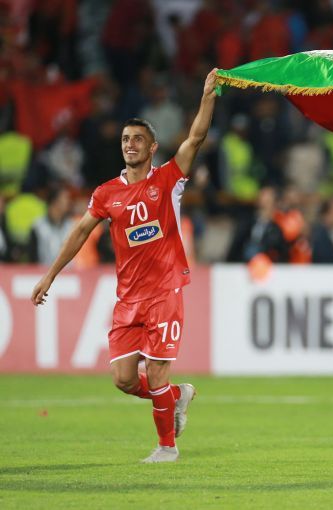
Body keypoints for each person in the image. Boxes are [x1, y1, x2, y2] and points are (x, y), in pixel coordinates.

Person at [30, 68, 220, 463]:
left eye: (137, 139)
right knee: (124, 378)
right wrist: (50, 275)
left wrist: (207, 96)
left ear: (152, 147)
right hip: (128, 298)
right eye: (125, 139)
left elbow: (196, 138)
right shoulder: (106, 193)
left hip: (165, 291)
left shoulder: (169, 180)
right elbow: (80, 232)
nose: (129, 144)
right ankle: (177, 396)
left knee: (157, 372)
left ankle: (167, 447)